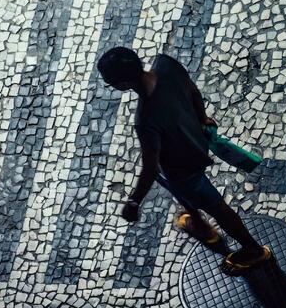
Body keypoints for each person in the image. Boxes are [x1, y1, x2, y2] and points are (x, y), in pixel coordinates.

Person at [96, 46, 273, 275]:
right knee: (184, 193)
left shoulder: (145, 118)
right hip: (194, 143)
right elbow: (193, 92)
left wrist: (134, 202)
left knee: (217, 208)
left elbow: (150, 166)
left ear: (122, 85)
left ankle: (254, 250)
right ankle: (199, 224)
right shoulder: (165, 64)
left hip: (182, 168)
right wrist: (202, 117)